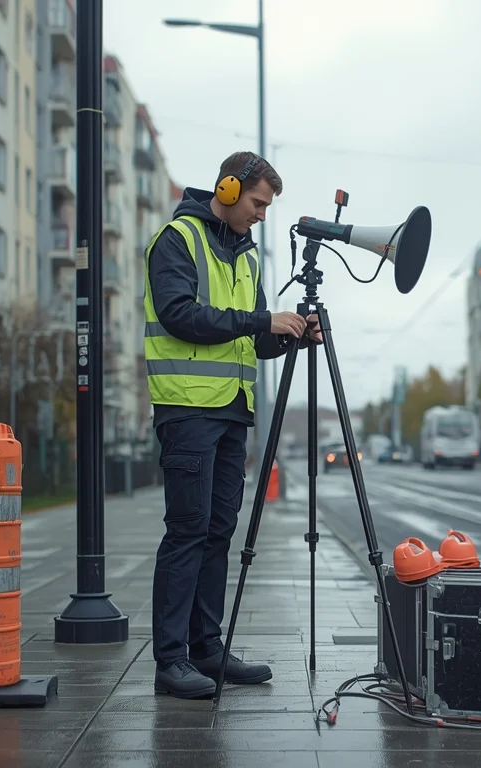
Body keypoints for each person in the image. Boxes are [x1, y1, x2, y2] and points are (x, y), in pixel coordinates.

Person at [143, 151, 323, 699]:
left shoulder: (245, 258)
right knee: (188, 530)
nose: (263, 214)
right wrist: (259, 320)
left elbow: (254, 338)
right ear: (226, 188)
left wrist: (289, 332)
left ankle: (207, 650)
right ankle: (170, 660)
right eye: (257, 202)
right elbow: (181, 314)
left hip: (230, 412)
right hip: (188, 408)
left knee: (219, 531)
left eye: (268, 206)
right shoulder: (177, 239)